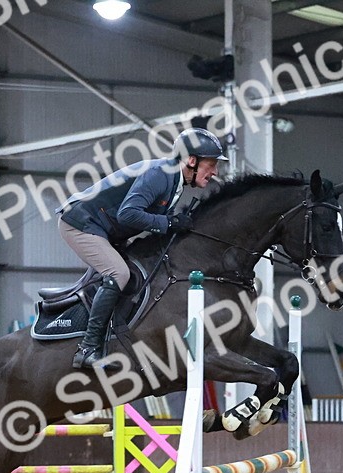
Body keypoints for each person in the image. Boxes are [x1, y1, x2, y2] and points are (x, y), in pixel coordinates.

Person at [58, 128, 227, 369]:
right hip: (80, 223)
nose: (215, 172)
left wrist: (173, 225)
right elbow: (128, 214)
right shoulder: (161, 174)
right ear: (192, 160)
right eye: (211, 164)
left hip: (106, 228)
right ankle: (87, 349)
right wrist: (168, 223)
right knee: (119, 273)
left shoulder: (174, 182)